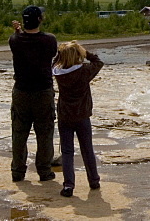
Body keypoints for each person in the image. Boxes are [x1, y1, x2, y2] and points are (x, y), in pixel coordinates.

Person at [9, 6, 58, 182]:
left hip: (21, 91)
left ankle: (18, 172)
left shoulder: (14, 40)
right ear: (39, 19)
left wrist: (18, 31)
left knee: (19, 133)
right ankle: (44, 171)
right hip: (43, 92)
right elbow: (52, 54)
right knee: (45, 133)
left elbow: (21, 39)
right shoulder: (49, 40)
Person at [53, 41, 103, 197]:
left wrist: (61, 53)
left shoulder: (57, 72)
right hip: (82, 115)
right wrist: (85, 52)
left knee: (67, 152)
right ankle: (93, 181)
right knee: (87, 149)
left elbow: (55, 61)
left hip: (65, 115)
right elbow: (99, 62)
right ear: (78, 55)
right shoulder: (84, 71)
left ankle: (68, 185)